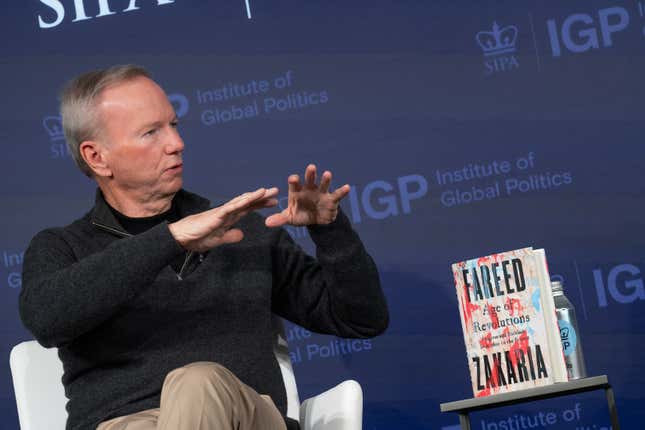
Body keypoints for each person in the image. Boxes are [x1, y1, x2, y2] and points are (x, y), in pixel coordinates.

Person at [19, 65, 389, 430]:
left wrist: (330, 232)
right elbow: (48, 319)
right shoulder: (62, 247)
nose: (176, 144)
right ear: (97, 157)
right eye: (151, 133)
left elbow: (360, 319)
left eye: (174, 126)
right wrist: (169, 240)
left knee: (198, 383)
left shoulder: (242, 230)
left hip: (245, 419)